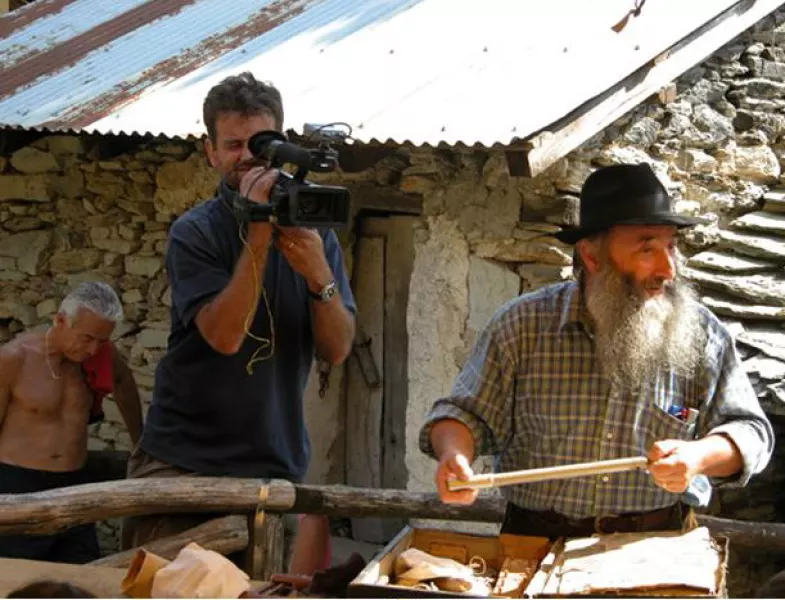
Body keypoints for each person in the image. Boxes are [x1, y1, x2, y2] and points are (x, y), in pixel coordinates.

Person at [420, 162, 774, 538]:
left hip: (654, 544)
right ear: (591, 256)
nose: (668, 268)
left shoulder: (702, 333)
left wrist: (699, 456)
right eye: (647, 248)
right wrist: (454, 455)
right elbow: (463, 412)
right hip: (536, 541)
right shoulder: (522, 325)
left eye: (671, 246)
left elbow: (751, 431)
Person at [123, 72, 356, 576]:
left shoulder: (314, 233)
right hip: (184, 465)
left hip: (271, 466)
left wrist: (319, 274)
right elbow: (225, 337)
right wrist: (257, 232)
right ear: (210, 151)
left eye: (261, 143)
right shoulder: (196, 232)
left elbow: (337, 350)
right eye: (232, 145)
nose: (248, 157)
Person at [0, 281, 143, 563]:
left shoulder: (101, 356)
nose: (93, 349)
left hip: (74, 485)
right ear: (61, 320)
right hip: (19, 485)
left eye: (102, 340)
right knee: (17, 579)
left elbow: (124, 383)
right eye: (87, 338)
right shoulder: (14, 358)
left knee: (81, 575)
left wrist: (141, 442)